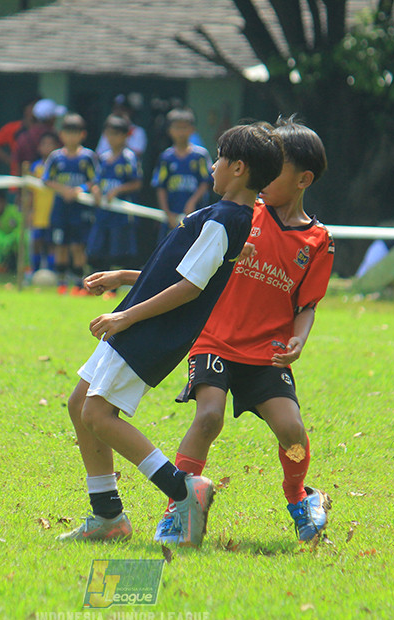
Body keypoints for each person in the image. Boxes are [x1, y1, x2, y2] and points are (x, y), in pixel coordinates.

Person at [57, 121, 284, 547]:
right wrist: (125, 277)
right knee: (78, 404)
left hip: (151, 329)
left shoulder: (224, 219)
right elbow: (181, 273)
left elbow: (191, 288)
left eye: (218, 158)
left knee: (96, 415)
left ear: (237, 168)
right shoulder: (233, 218)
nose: (212, 166)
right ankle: (107, 515)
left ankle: (183, 489)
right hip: (142, 318)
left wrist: (125, 318)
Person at [153, 116, 335, 545]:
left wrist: (299, 338)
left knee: (292, 431)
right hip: (214, 338)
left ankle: (298, 496)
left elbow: (306, 305)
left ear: (304, 178)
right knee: (209, 415)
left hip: (266, 351)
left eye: (277, 167)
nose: (264, 175)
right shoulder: (241, 214)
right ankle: (179, 509)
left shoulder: (318, 241)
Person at [43, 113, 99, 295]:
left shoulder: (88, 157)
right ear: (61, 135)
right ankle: (61, 282)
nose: (71, 137)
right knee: (60, 245)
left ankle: (78, 283)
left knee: (77, 246)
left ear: (82, 135)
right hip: (60, 209)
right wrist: (63, 190)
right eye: (68, 133)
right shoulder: (56, 157)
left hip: (80, 210)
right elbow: (46, 180)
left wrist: (79, 189)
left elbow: (94, 180)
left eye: (75, 133)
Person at [87, 115, 143, 281]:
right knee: (97, 247)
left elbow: (137, 183)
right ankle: (96, 280)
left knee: (119, 249)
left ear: (125, 136)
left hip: (121, 214)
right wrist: (95, 189)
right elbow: (93, 180)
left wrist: (118, 190)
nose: (112, 138)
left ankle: (117, 283)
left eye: (116, 134)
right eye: (109, 133)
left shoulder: (129, 158)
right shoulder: (102, 158)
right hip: (103, 212)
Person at [151, 108, 213, 245]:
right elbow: (160, 186)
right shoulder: (166, 157)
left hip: (194, 216)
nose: (180, 132)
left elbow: (205, 182)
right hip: (171, 216)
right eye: (177, 128)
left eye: (184, 128)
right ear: (169, 130)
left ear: (192, 129)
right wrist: (167, 212)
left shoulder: (200, 156)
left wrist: (192, 202)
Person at [23, 131, 59, 274]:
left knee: (52, 243)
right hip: (39, 212)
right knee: (37, 242)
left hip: (54, 211)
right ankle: (35, 270)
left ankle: (52, 271)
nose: (47, 147)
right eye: (44, 144)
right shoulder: (35, 167)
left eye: (51, 144)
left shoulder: (59, 165)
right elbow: (31, 192)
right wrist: (29, 211)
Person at [13, 98, 65, 172]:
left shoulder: (23, 137)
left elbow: (16, 164)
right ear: (51, 119)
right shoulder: (57, 138)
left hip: (26, 181)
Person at [95, 93, 147, 159]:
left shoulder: (138, 131)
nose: (119, 112)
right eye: (116, 109)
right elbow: (99, 153)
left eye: (122, 109)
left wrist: (122, 140)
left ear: (129, 111)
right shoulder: (108, 130)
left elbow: (138, 154)